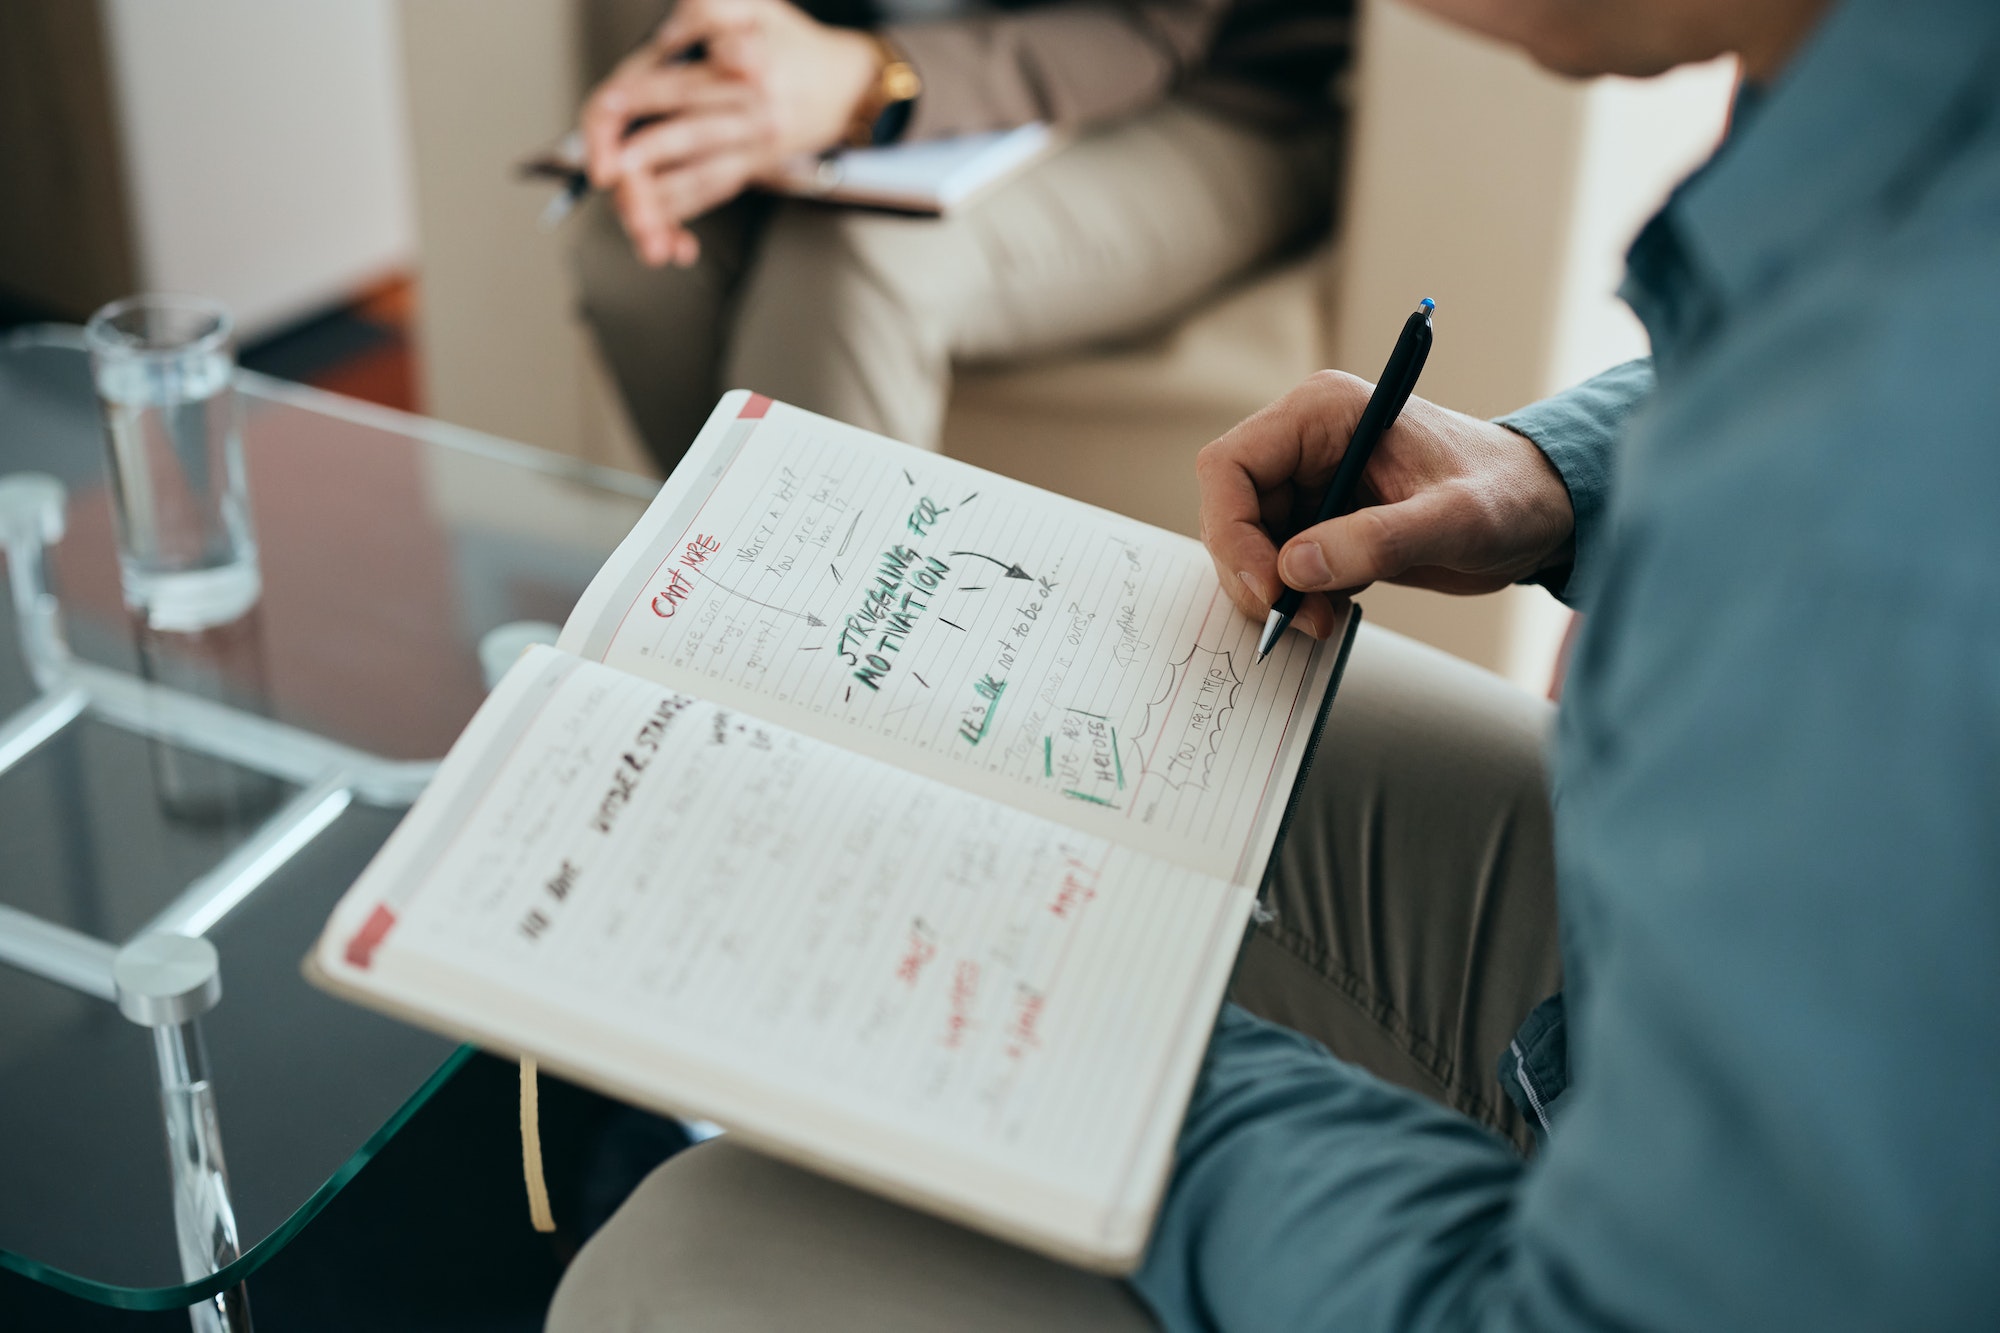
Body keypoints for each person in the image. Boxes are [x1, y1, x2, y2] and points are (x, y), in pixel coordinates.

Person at [548, 0, 2000, 1326]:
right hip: (1692, 1025)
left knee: (691, 1254)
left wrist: (1069, 1049)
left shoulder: (1859, 521)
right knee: (1137, 714)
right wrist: (1559, 472)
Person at [568, 0, 1349, 468]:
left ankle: (829, 700)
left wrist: (875, 80)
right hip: (857, 51)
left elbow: (1150, 25)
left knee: (854, 266)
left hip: (1209, 85)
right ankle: (704, 614)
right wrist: (717, 59)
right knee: (637, 254)